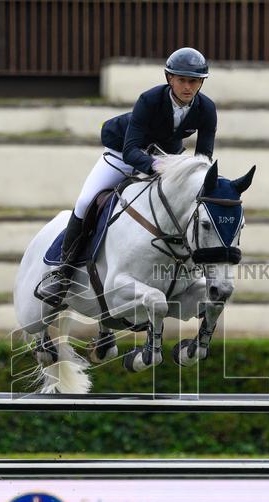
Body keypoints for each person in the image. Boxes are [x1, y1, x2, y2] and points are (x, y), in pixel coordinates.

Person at [36, 47, 218, 307]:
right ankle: (63, 272)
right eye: (182, 80)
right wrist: (160, 166)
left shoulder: (206, 108)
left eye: (194, 81)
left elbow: (203, 159)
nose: (188, 87)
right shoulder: (149, 100)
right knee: (86, 200)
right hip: (122, 152)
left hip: (166, 157)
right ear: (169, 78)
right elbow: (132, 150)